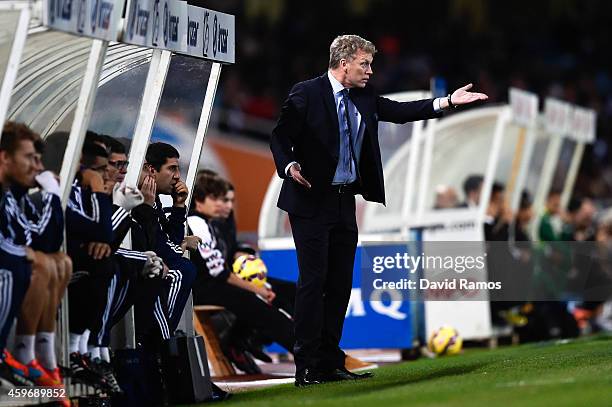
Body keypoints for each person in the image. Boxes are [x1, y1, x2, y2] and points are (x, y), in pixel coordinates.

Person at [270, 34, 488, 386]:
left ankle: (329, 362)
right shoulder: (306, 93)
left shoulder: (364, 96)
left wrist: (447, 101)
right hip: (309, 199)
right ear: (344, 64)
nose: (370, 71)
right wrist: (289, 165)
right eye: (365, 64)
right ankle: (306, 367)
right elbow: (280, 135)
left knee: (340, 285)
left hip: (344, 202)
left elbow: (401, 113)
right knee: (314, 282)